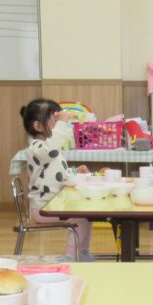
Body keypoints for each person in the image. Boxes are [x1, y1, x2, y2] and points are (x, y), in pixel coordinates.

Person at [21, 98, 94, 261]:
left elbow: (57, 173)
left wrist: (76, 172)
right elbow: (51, 149)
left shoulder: (49, 150)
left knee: (87, 215)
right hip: (43, 208)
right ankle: (70, 256)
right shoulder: (36, 148)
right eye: (55, 121)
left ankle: (82, 252)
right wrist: (63, 123)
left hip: (55, 204)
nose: (59, 123)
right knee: (81, 217)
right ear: (38, 126)